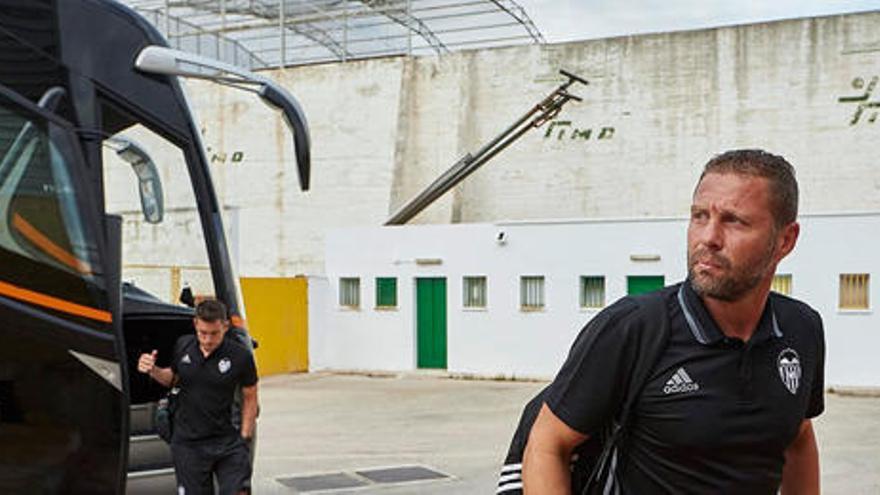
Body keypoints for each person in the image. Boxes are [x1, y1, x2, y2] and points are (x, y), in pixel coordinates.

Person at [522, 149, 824, 494]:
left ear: (785, 240)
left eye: (734, 220)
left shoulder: (802, 329)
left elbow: (798, 438)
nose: (708, 237)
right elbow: (547, 444)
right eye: (699, 216)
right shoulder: (633, 327)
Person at [137, 299, 259, 495]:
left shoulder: (240, 356)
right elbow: (173, 379)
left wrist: (245, 436)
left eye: (214, 334)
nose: (208, 340)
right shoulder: (183, 346)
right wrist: (153, 370)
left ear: (225, 326)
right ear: (195, 324)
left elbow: (251, 396)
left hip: (227, 442)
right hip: (189, 445)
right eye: (203, 333)